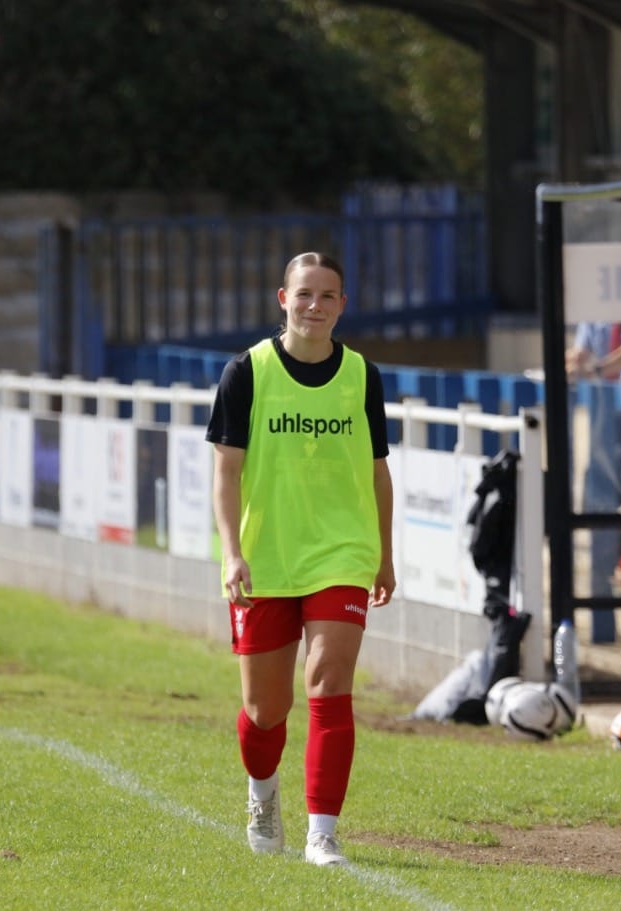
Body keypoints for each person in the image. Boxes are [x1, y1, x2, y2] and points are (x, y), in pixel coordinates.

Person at [206, 251, 395, 868]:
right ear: (282, 299)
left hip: (342, 551)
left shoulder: (362, 375)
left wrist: (384, 554)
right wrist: (232, 554)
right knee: (265, 712)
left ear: (344, 304)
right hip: (265, 559)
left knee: (329, 684)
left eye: (329, 296)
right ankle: (263, 793)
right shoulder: (247, 372)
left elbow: (377, 471)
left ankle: (323, 833)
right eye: (305, 294)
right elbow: (226, 473)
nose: (316, 306)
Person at [565, 321, 621, 607]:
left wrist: (598, 369)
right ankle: (602, 602)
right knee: (599, 497)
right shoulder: (595, 311)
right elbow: (580, 349)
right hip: (606, 415)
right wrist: (574, 362)